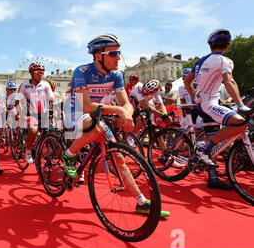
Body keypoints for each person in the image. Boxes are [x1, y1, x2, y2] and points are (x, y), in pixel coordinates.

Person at [63, 33, 170, 217]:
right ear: (98, 56)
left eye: (119, 53)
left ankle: (141, 202)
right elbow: (86, 106)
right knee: (97, 127)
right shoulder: (82, 72)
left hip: (95, 114)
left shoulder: (116, 75)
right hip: (75, 111)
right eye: (113, 53)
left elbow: (126, 103)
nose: (118, 57)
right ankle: (68, 155)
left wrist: (127, 114)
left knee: (119, 156)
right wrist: (119, 111)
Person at [184, 29, 250, 190]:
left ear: (210, 45)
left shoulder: (200, 61)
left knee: (214, 138)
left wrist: (194, 97)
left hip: (203, 105)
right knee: (241, 123)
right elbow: (229, 81)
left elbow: (187, 81)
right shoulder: (225, 60)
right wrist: (240, 104)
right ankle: (204, 151)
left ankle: (212, 177)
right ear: (228, 45)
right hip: (209, 105)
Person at [16, 62, 55, 164]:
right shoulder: (25, 85)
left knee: (54, 136)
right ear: (31, 73)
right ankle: (28, 151)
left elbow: (52, 98)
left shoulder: (45, 85)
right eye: (38, 72)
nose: (41, 74)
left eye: (42, 72)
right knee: (33, 131)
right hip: (31, 114)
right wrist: (21, 114)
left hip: (43, 114)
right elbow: (17, 101)